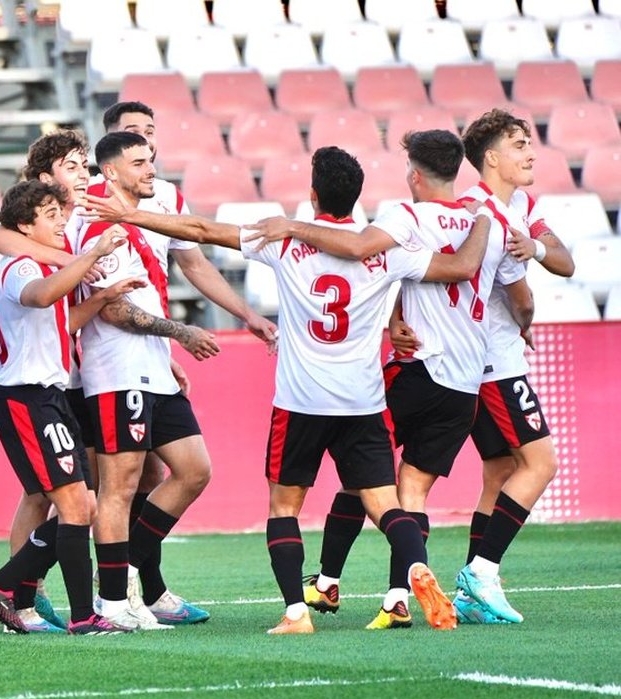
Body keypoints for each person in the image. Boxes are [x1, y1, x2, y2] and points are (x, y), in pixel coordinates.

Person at [84, 146, 494, 631]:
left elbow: (198, 230)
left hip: (300, 402)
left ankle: (297, 612)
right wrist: (484, 217)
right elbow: (463, 267)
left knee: (284, 507)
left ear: (313, 194)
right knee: (385, 504)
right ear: (357, 197)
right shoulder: (386, 251)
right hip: (362, 402)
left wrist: (131, 215)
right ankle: (414, 567)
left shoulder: (282, 240)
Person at [245, 130, 534, 628]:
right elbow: (495, 283)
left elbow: (360, 249)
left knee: (360, 487)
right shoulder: (483, 221)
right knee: (408, 493)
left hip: (414, 368)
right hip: (467, 381)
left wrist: (291, 226)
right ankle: (400, 592)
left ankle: (326, 585)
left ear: (415, 175)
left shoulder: (403, 214)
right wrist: (490, 224)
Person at [96, 101, 278, 624]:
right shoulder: (89, 203)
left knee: (183, 472)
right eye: (133, 136)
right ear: (109, 148)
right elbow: (102, 293)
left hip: (154, 353)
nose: (146, 144)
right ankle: (76, 592)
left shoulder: (164, 196)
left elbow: (193, 262)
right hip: (105, 361)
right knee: (102, 486)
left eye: (150, 135)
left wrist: (245, 313)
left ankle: (133, 581)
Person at [0, 180, 144, 635]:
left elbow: (60, 321)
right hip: (27, 399)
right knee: (73, 507)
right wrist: (93, 255)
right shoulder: (18, 267)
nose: (61, 220)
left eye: (59, 212)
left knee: (81, 505)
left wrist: (105, 296)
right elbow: (41, 296)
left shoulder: (37, 266)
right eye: (50, 214)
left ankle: (3, 584)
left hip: (50, 397)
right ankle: (83, 616)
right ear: (25, 225)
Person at [78, 131, 223, 630]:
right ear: (110, 171)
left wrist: (167, 349)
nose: (150, 170)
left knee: (194, 469)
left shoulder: (131, 218)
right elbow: (115, 308)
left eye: (151, 160)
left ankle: (130, 563)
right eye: (139, 163)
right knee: (118, 487)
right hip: (118, 371)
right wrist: (180, 331)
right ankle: (114, 602)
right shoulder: (97, 220)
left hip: (153, 368)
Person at [445, 109, 572, 623]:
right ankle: (482, 571)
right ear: (491, 158)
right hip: (494, 362)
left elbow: (564, 259)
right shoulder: (487, 214)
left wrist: (537, 245)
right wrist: (525, 320)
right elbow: (522, 301)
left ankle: (470, 594)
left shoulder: (514, 203)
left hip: (481, 359)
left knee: (499, 470)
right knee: (541, 464)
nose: (531, 153)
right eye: (520, 145)